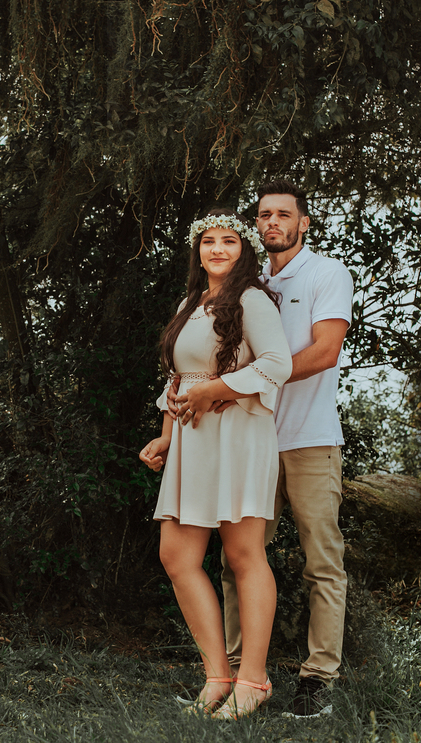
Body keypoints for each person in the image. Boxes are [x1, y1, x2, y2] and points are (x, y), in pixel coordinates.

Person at [171, 179, 353, 719]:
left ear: (304, 223)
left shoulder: (324, 274)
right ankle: (234, 672)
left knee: (320, 560)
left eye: (284, 214)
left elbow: (325, 352)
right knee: (238, 558)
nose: (273, 222)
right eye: (265, 214)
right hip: (245, 437)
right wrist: (224, 388)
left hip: (304, 435)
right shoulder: (243, 280)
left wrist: (233, 384)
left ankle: (318, 678)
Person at [139, 208, 292, 721]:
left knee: (244, 555)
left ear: (244, 249)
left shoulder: (252, 300)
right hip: (191, 441)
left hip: (238, 435)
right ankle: (217, 677)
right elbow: (179, 380)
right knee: (177, 557)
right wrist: (166, 438)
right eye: (209, 241)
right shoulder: (190, 303)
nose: (218, 249)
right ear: (197, 250)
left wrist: (217, 389)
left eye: (229, 241)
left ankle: (254, 681)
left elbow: (277, 363)